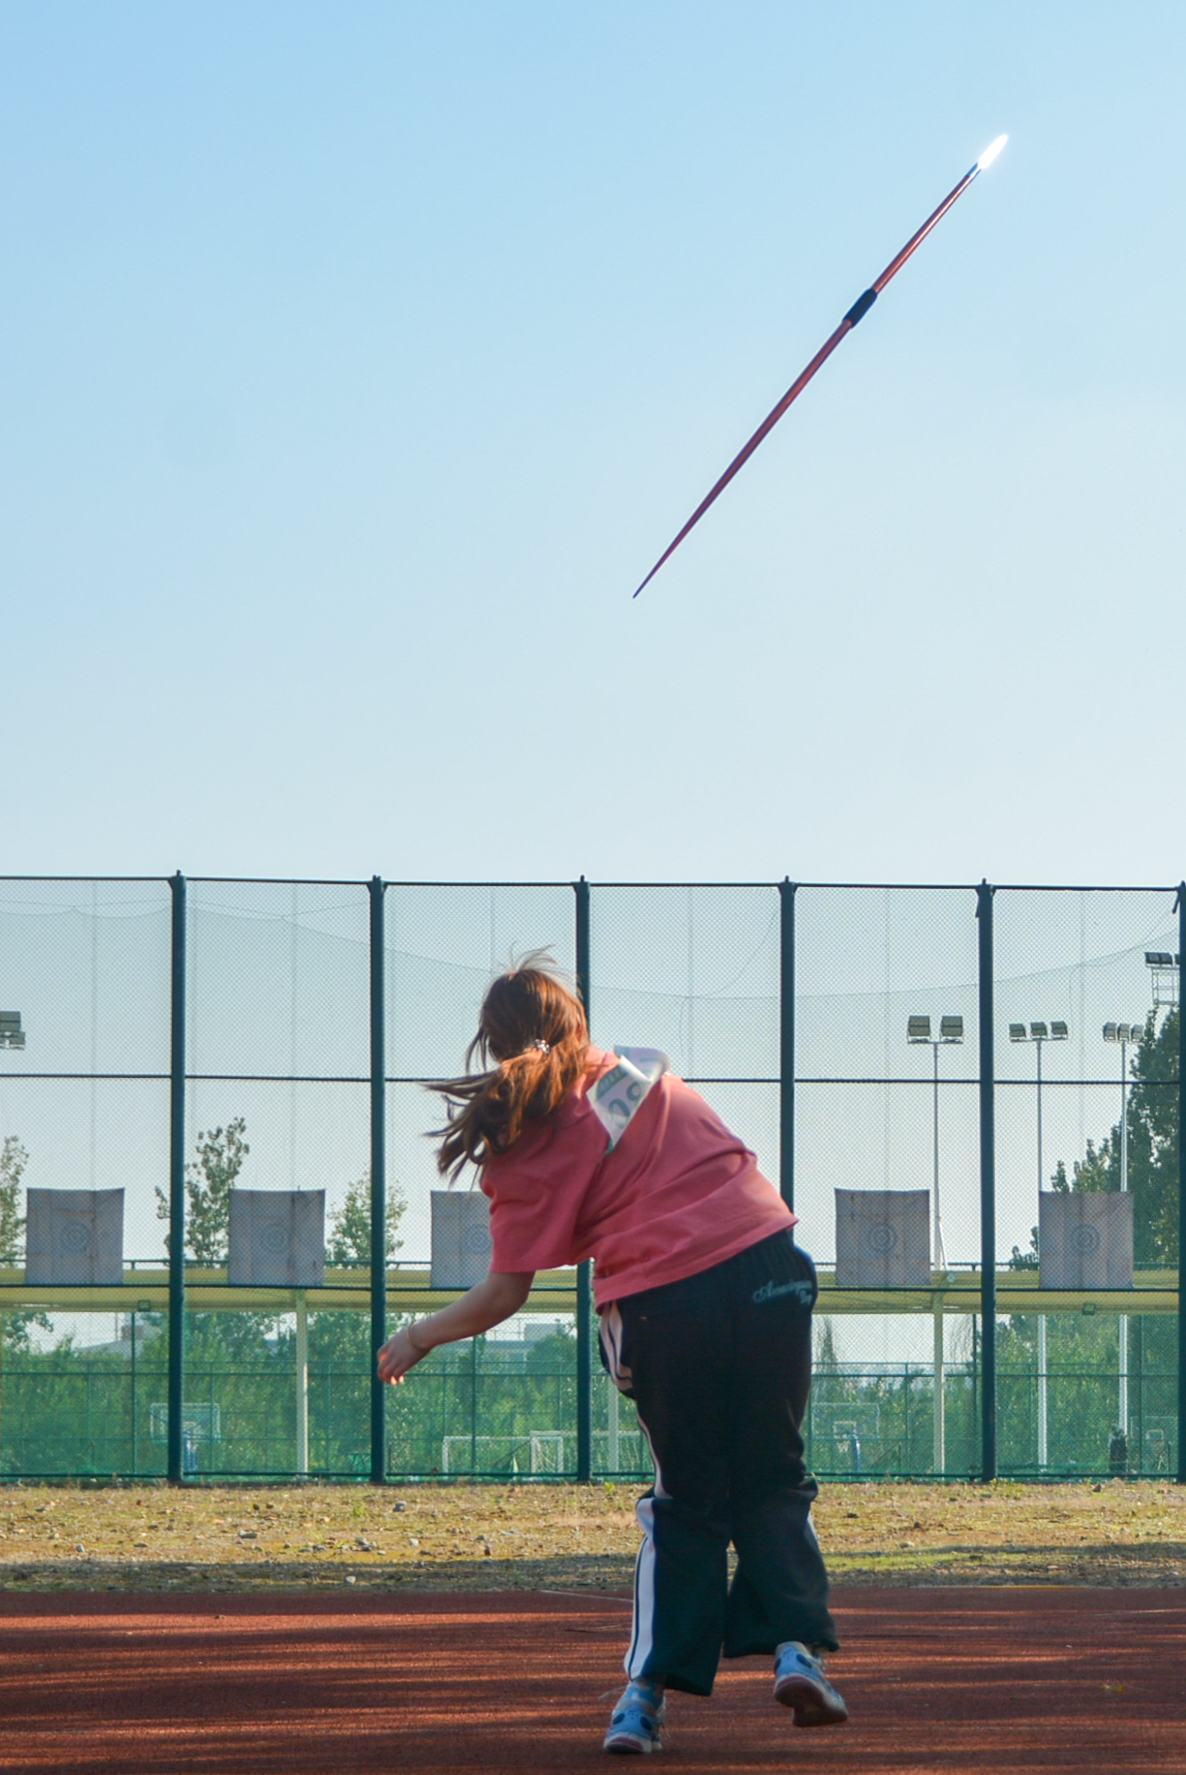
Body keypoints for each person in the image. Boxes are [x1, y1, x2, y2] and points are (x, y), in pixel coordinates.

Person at [377, 958, 846, 1754]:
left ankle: (642, 1700)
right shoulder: (640, 1071)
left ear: (493, 1046)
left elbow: (503, 1293)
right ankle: (796, 1647)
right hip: (770, 1266)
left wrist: (417, 1335)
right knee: (773, 1472)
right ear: (577, 1024)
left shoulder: (518, 1145)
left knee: (685, 1497)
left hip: (667, 1302)